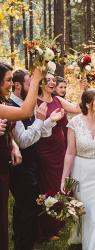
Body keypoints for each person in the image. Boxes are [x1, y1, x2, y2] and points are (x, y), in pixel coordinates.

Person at [9, 69, 64, 250]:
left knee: (27, 209)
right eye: (29, 84)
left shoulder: (27, 103)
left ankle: (25, 241)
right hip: (21, 168)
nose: (33, 89)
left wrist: (49, 121)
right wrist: (40, 120)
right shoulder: (13, 108)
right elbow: (24, 141)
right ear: (17, 86)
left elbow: (38, 133)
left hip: (32, 165)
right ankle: (23, 243)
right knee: (26, 210)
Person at [61, 89, 95, 250]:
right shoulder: (74, 123)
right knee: (87, 212)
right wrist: (65, 178)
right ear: (88, 104)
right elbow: (70, 152)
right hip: (81, 172)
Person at [0, 62, 43, 250]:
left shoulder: (2, 102)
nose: (10, 84)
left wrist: (14, 145)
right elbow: (25, 112)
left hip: (5, 165)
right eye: (8, 80)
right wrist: (36, 80)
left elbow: (10, 129)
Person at [36, 72, 81, 241]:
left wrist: (83, 89)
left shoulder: (58, 100)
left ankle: (56, 223)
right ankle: (46, 228)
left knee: (60, 184)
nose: (52, 82)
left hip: (60, 149)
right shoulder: (36, 102)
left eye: (53, 79)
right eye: (48, 80)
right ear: (40, 84)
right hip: (45, 151)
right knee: (48, 185)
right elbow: (37, 129)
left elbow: (76, 108)